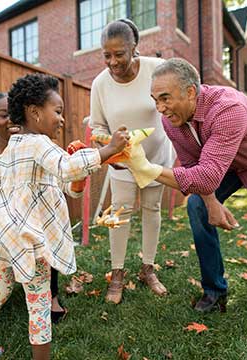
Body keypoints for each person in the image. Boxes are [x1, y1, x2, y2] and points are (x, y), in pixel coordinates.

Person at [0, 73, 129, 360]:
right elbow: (67, 169)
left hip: (6, 238)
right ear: (34, 112)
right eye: (58, 111)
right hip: (30, 240)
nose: (62, 119)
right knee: (39, 304)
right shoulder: (39, 145)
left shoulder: (15, 145)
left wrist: (54, 182)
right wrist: (109, 150)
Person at [126, 57, 247, 312]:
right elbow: (192, 167)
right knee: (197, 205)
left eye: (165, 98)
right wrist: (211, 202)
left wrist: (147, 169)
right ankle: (214, 289)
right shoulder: (171, 121)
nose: (160, 108)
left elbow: (206, 176)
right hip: (228, 166)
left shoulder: (229, 107)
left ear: (190, 92)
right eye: (155, 100)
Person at [89, 18, 175, 304]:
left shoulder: (154, 69)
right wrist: (110, 149)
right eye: (106, 55)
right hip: (121, 162)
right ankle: (117, 273)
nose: (112, 62)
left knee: (152, 209)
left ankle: (148, 269)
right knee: (120, 216)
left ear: (133, 48)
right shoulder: (100, 84)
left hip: (156, 159)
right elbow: (98, 127)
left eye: (119, 54)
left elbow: (172, 102)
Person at [0, 93, 67, 323]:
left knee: (44, 237)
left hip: (35, 237)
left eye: (15, 112)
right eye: (3, 114)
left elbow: (62, 190)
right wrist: (6, 248)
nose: (11, 119)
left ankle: (51, 295)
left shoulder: (41, 150)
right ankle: (8, 280)